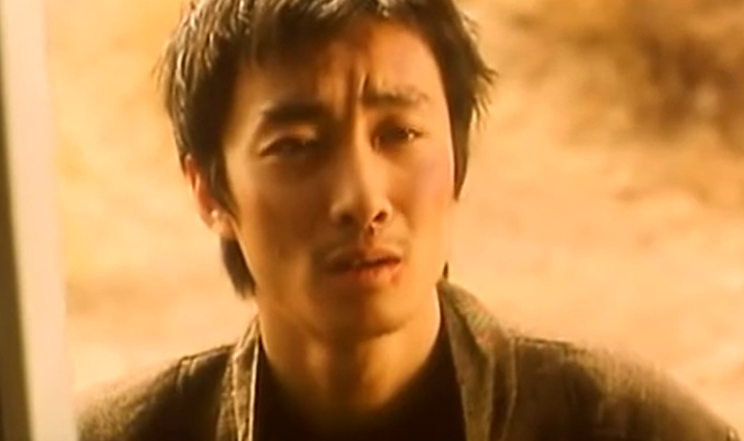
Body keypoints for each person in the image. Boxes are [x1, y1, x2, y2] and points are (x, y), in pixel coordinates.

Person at [75, 0, 740, 440]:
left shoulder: (623, 426)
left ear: (457, 157)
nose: (362, 198)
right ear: (208, 191)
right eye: (296, 146)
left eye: (398, 133)